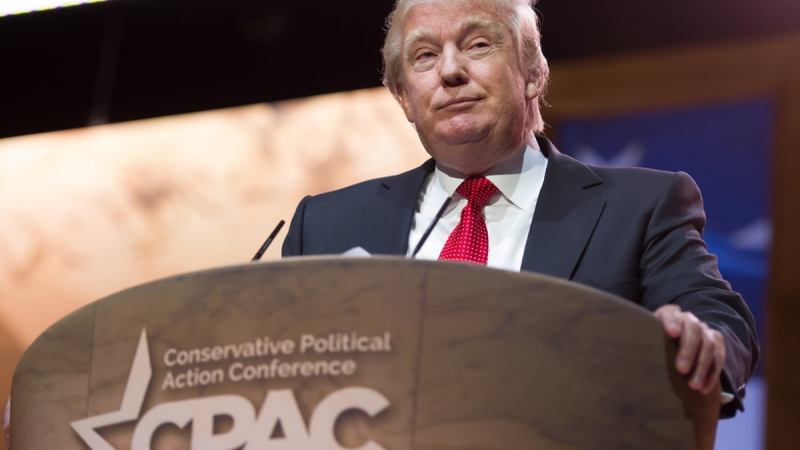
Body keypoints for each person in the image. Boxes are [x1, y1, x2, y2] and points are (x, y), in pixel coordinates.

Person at [281, 0, 759, 417]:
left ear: (532, 73)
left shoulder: (640, 207)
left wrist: (701, 340)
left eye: (477, 45)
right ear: (404, 97)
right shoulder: (326, 227)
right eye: (424, 55)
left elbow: (720, 323)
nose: (450, 71)